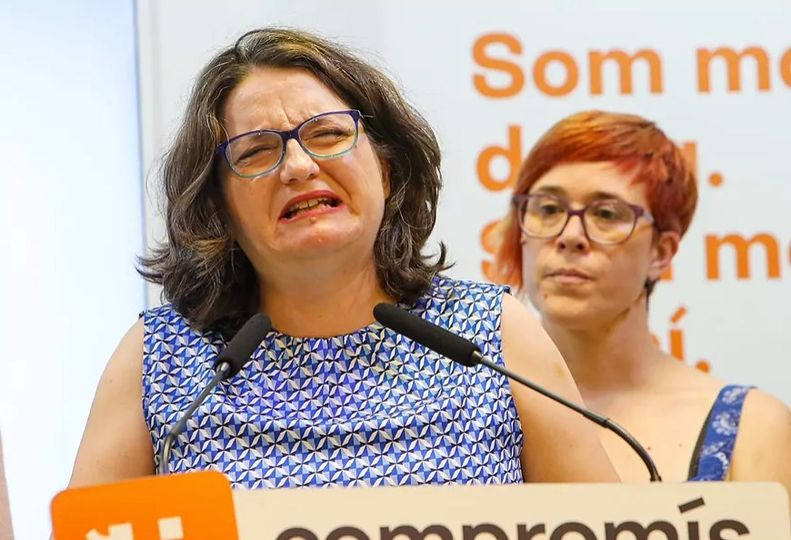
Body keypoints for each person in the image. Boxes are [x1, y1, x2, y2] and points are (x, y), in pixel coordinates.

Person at [67, 28, 619, 490]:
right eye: (257, 151)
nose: (298, 166)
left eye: (328, 134)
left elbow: (603, 525)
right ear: (220, 208)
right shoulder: (162, 358)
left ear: (387, 169)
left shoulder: (488, 335)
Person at [495, 110, 791, 490]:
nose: (570, 235)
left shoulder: (751, 426)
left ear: (661, 253)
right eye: (548, 209)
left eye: (606, 214)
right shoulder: (464, 410)